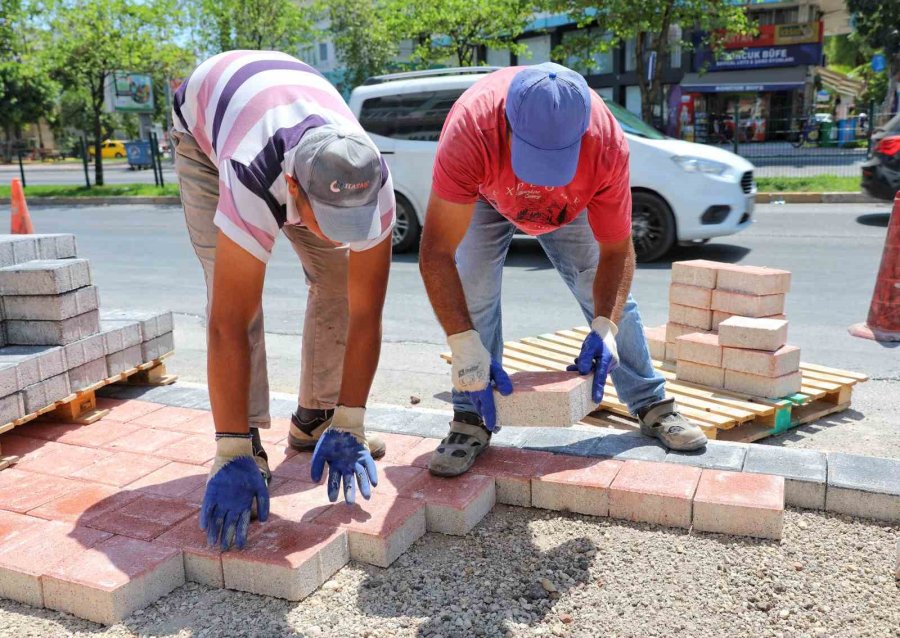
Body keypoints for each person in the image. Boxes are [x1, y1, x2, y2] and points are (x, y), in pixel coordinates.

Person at [418, 62, 707, 477]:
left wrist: (604, 327)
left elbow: (616, 252)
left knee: (610, 300)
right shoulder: (473, 129)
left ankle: (651, 403)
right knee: (473, 292)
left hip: (572, 208)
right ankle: (469, 418)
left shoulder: (606, 145)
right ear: (509, 126)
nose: (543, 182)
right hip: (485, 196)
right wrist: (465, 346)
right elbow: (436, 252)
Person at [171, 50, 394, 549]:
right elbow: (228, 323)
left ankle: (317, 418)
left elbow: (366, 312)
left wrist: (350, 417)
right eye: (328, 222)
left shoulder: (372, 179)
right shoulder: (255, 175)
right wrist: (229, 448)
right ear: (293, 189)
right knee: (236, 299)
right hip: (206, 139)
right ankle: (244, 438)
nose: (343, 236)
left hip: (285, 116)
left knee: (338, 280)